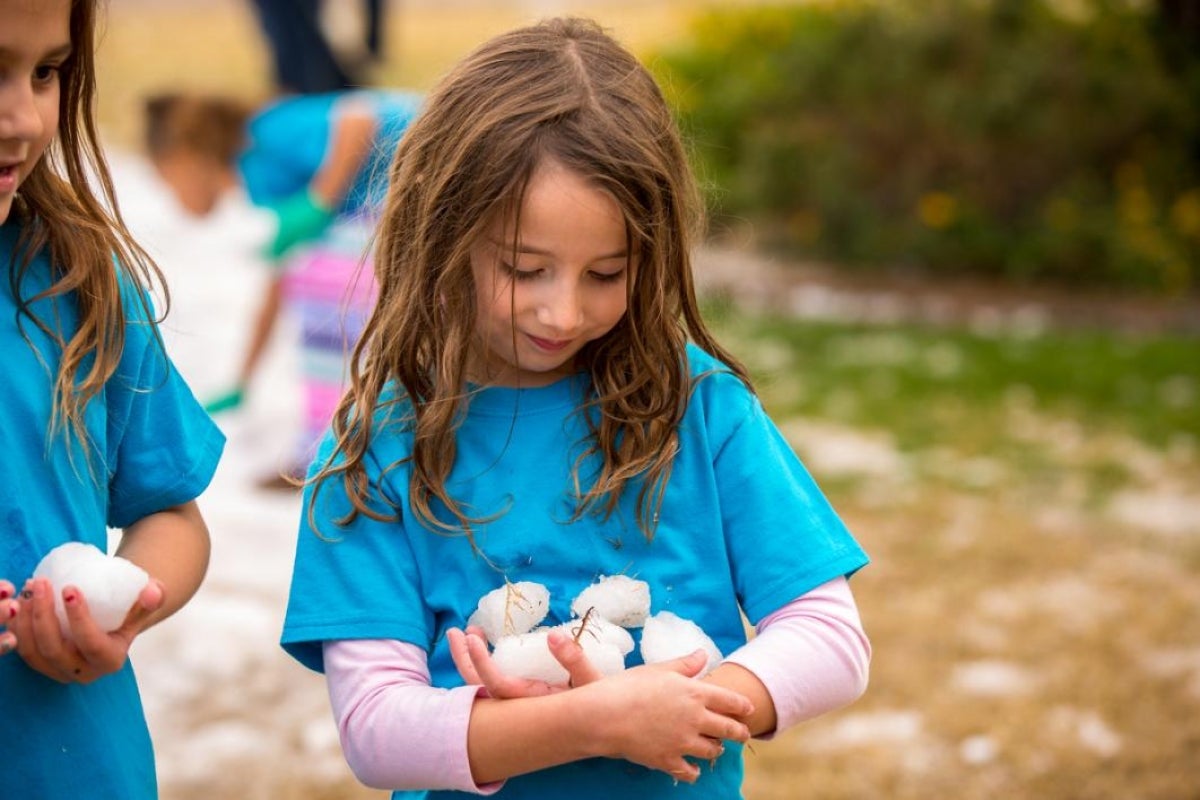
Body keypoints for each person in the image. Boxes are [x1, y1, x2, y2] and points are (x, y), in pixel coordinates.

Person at [280, 16, 871, 799]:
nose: (563, 313)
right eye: (526, 270)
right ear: (444, 233)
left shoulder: (700, 412)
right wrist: (595, 721)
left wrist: (687, 706)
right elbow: (376, 730)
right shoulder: (377, 447)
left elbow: (830, 638)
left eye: (605, 273)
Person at [0, 0, 225, 796]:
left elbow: (170, 514)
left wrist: (121, 606)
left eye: (46, 71)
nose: (22, 117)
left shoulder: (76, 279)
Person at [143, 87, 421, 484]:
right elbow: (284, 278)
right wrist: (243, 379)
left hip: (424, 163)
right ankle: (331, 445)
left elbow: (359, 117)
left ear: (188, 153)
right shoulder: (260, 182)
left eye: (168, 179)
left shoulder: (265, 132)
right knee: (319, 277)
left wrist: (321, 202)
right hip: (388, 201)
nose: (173, 196)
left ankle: (337, 448)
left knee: (331, 281)